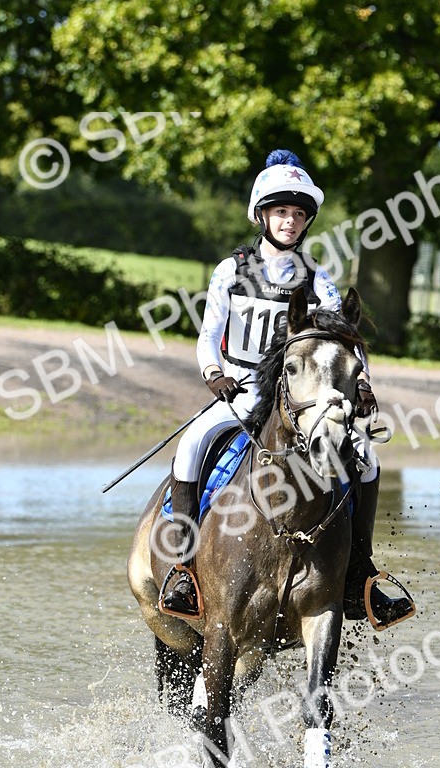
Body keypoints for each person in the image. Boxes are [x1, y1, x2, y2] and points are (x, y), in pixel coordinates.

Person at [162, 148, 414, 628]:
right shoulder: (230, 270)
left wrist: (361, 383)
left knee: (366, 457)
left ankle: (360, 575)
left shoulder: (319, 280)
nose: (290, 221)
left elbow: (345, 339)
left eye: (299, 214)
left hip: (301, 398)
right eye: (281, 211)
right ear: (262, 215)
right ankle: (182, 570)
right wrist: (214, 375)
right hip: (239, 390)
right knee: (191, 447)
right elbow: (207, 334)